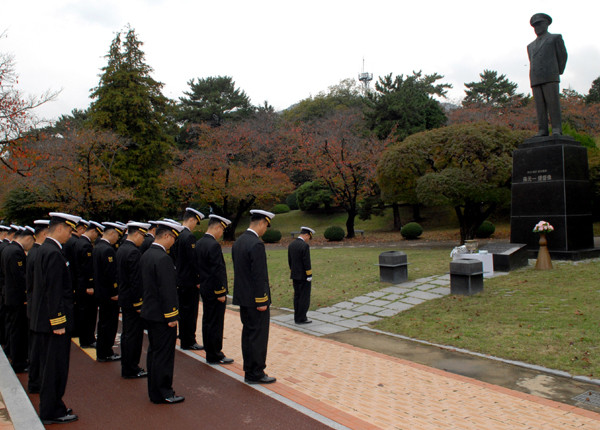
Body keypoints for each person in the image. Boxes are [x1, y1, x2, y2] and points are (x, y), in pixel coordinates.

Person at [30, 212, 81, 425]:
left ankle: (53, 406)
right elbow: (54, 290)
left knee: (49, 366)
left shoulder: (44, 249)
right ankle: (51, 411)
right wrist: (58, 321)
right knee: (55, 367)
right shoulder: (53, 253)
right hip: (54, 324)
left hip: (44, 320)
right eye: (69, 231)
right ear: (59, 228)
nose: (70, 235)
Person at [140, 220, 185, 404]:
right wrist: (172, 315)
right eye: (173, 238)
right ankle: (164, 391)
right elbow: (167, 290)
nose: (173, 242)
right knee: (164, 355)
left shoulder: (146, 254)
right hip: (162, 315)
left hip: (150, 312)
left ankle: (155, 391)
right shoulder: (163, 258)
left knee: (154, 353)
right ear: (166, 236)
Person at [232, 209, 276, 384]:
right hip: (256, 300)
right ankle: (256, 372)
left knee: (248, 335)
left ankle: (249, 370)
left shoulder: (239, 242)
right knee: (258, 337)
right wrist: (261, 300)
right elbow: (258, 275)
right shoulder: (256, 244)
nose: (265, 230)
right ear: (261, 223)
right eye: (266, 226)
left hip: (244, 298)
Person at [196, 214, 234, 365]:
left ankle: (209, 351)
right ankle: (215, 354)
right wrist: (221, 292)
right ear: (217, 227)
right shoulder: (213, 245)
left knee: (207, 320)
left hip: (205, 288)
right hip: (214, 290)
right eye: (222, 230)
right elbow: (217, 270)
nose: (221, 234)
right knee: (216, 323)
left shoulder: (199, 243)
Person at [116, 222, 150, 379]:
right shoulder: (133, 253)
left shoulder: (122, 249)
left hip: (124, 297)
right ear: (136, 234)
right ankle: (131, 368)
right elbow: (136, 280)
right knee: (134, 336)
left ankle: (127, 366)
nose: (143, 240)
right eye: (142, 236)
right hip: (132, 300)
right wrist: (139, 303)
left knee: (127, 334)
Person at [527, 13, 568, 136]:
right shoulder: (530, 46)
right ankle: (542, 129)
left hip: (550, 75)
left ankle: (556, 128)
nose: (537, 28)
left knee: (553, 103)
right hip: (535, 77)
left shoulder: (555, 38)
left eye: (539, 24)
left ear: (546, 24)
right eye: (535, 26)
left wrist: (557, 71)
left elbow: (562, 56)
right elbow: (532, 60)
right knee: (539, 106)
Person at [2, 226, 35, 372]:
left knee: (13, 327)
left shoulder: (8, 248)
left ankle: (13, 355)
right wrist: (25, 295)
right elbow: (19, 278)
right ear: (28, 238)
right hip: (16, 297)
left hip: (9, 295)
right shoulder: (16, 252)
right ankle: (19, 362)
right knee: (18, 330)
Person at [172, 207, 204, 351]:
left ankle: (183, 336)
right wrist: (198, 279)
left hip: (179, 278)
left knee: (183, 311)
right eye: (195, 222)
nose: (194, 225)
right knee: (190, 312)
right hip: (189, 281)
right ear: (191, 219)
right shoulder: (188, 236)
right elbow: (193, 260)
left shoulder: (176, 234)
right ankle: (189, 340)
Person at [93, 222, 124, 362]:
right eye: (117, 235)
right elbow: (110, 274)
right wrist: (114, 291)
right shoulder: (107, 250)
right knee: (109, 324)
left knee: (103, 323)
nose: (117, 239)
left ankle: (102, 350)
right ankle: (106, 351)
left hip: (100, 291)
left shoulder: (97, 246)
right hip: (108, 294)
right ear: (112, 233)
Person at [26, 219, 49, 394]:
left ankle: (35, 380)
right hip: (40, 308)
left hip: (34, 306)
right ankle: (37, 382)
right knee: (39, 349)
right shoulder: (39, 253)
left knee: (36, 347)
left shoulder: (34, 252)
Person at [73, 221, 104, 348]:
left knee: (84, 314)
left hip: (79, 284)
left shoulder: (79, 242)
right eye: (96, 234)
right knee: (89, 315)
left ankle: (85, 338)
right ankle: (88, 339)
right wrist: (90, 285)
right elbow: (86, 268)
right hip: (86, 286)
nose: (96, 237)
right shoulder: (85, 245)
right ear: (92, 231)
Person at [288, 226, 315, 324]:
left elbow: (290, 261)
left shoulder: (292, 245)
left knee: (297, 297)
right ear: (307, 235)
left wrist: (293, 271)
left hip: (295, 275)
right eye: (309, 237)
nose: (308, 240)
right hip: (304, 276)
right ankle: (302, 318)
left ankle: (297, 317)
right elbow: (306, 262)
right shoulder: (304, 246)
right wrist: (309, 274)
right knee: (304, 297)